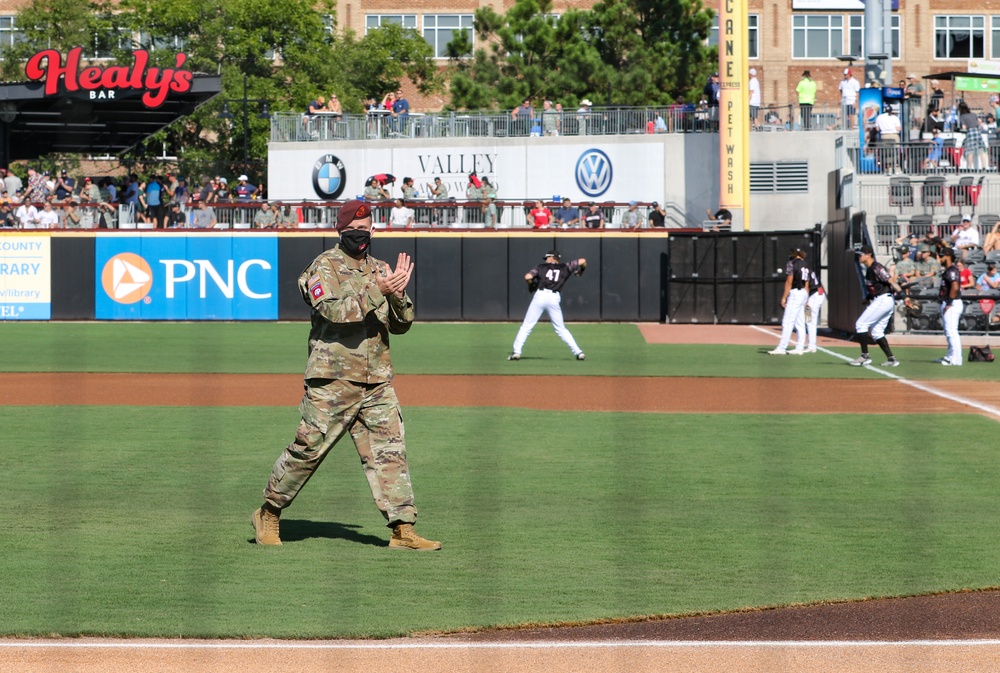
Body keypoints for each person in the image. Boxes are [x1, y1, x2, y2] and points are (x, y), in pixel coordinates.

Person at [250, 199, 440, 551]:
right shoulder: (324, 267)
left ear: (373, 229)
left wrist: (397, 295)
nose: (360, 236)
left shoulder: (380, 269)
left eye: (365, 229)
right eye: (353, 230)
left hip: (377, 380)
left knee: (390, 453)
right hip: (333, 379)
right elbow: (333, 312)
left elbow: (401, 325)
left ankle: (403, 529)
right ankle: (269, 512)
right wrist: (378, 291)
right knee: (308, 450)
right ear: (341, 231)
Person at [508, 249, 586, 362]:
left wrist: (531, 284)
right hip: (554, 297)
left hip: (540, 295)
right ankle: (579, 352)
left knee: (526, 326)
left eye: (547, 257)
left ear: (552, 257)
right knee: (560, 329)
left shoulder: (541, 267)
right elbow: (583, 260)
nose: (546, 259)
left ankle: (516, 352)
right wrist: (581, 271)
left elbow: (527, 277)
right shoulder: (565, 267)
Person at [849, 245, 902, 367]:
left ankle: (864, 356)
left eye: (861, 254)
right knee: (877, 332)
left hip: (883, 300)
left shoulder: (876, 267)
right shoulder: (869, 269)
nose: (859, 257)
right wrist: (867, 298)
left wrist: (904, 296)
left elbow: (891, 281)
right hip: (882, 299)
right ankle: (891, 359)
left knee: (861, 324)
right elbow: (876, 287)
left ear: (868, 255)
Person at [768, 248, 810, 355]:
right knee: (800, 322)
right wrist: (806, 297)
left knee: (787, 321)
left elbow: (789, 281)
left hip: (796, 293)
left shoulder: (792, 263)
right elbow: (807, 283)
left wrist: (783, 297)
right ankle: (800, 347)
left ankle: (782, 348)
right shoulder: (805, 263)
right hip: (803, 293)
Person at [937, 247, 963, 366]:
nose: (939, 258)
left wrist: (949, 302)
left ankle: (956, 359)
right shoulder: (948, 270)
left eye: (941, 256)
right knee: (949, 332)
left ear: (947, 256)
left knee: (952, 332)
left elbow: (955, 287)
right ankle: (949, 356)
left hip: (952, 304)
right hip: (948, 303)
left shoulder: (952, 270)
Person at [958, 101, 988, 171]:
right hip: (977, 132)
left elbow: (964, 127)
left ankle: (970, 168)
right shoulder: (973, 114)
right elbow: (980, 121)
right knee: (981, 150)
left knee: (970, 151)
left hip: (970, 132)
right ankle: (984, 166)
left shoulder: (962, 117)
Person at [874, 104, 902, 173]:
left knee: (887, 153)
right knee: (896, 153)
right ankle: (897, 169)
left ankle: (888, 169)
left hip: (884, 136)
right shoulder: (895, 118)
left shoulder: (879, 117)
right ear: (891, 111)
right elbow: (899, 129)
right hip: (894, 136)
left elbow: (877, 129)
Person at [804, 267, 826, 353]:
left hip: (814, 296)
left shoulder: (801, 270)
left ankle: (811, 346)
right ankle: (812, 345)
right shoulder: (807, 269)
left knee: (809, 321)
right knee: (810, 321)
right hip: (817, 294)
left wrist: (806, 300)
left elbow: (806, 285)